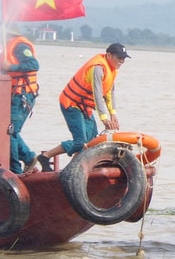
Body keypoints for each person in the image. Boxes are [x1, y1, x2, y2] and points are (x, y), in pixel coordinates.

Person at [31, 43, 131, 173]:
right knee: (80, 142)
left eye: (124, 58)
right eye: (119, 58)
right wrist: (104, 118)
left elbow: (109, 93)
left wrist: (113, 114)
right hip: (71, 104)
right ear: (109, 55)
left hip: (86, 106)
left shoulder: (113, 69)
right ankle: (46, 157)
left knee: (92, 143)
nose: (122, 61)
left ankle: (71, 171)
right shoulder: (98, 68)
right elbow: (97, 94)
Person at [0, 29, 40, 174]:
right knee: (7, 130)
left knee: (9, 131)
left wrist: (11, 67)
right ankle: (28, 157)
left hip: (22, 96)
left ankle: (15, 170)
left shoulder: (20, 46)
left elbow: (33, 64)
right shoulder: (5, 51)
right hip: (12, 96)